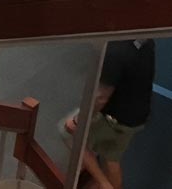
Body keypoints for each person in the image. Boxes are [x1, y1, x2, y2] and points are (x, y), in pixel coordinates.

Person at [65, 39, 155, 189]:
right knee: (111, 157)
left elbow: (100, 98)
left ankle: (104, 183)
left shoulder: (115, 51)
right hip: (137, 115)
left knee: (68, 133)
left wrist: (77, 121)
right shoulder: (145, 39)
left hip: (116, 120)